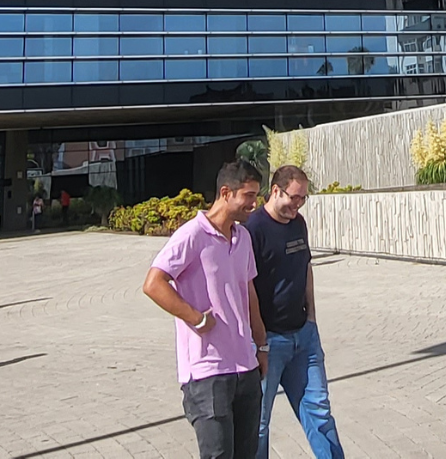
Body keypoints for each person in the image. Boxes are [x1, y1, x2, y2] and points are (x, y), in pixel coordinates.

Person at [144, 160, 269, 459]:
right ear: (226, 193)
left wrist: (261, 345)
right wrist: (196, 318)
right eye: (248, 196)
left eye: (256, 195)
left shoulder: (243, 237)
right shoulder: (192, 235)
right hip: (207, 373)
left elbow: (248, 290)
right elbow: (153, 283)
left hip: (245, 367)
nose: (254, 204)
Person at [246, 165, 344, 459]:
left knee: (320, 413)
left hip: (304, 337)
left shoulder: (298, 223)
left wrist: (311, 318)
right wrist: (259, 339)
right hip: (269, 343)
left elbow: (306, 267)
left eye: (303, 199)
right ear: (276, 191)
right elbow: (245, 286)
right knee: (258, 424)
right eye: (294, 197)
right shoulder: (252, 229)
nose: (297, 205)